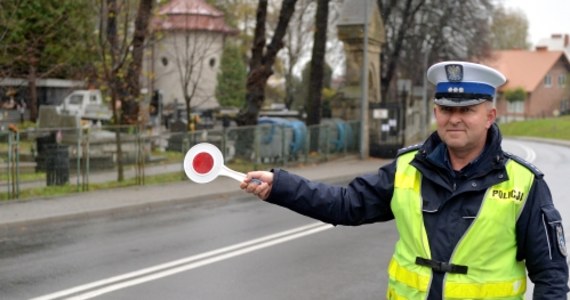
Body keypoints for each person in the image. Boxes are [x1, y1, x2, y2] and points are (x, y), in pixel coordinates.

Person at [240, 61, 569, 299]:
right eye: (445, 108)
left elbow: (551, 276)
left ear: (489, 116)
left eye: (467, 109)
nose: (454, 118)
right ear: (435, 111)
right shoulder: (408, 168)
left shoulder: (524, 183)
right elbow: (345, 205)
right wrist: (280, 186)